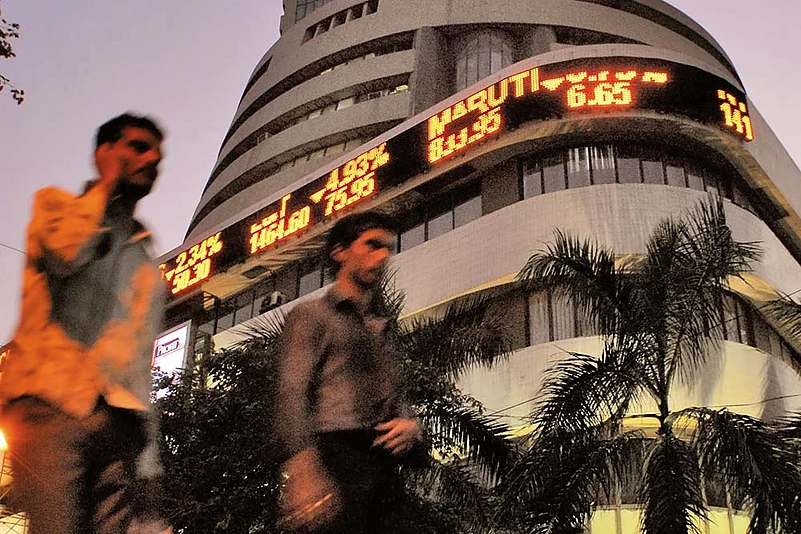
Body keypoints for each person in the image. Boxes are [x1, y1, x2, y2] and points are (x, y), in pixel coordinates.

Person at [0, 113, 172, 534]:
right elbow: (66, 255)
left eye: (157, 153)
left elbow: (139, 363)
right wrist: (105, 187)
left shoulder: (145, 261)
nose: (152, 159)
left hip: (119, 426)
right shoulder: (57, 208)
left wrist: (149, 462)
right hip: (50, 408)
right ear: (104, 153)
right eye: (138, 147)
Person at [276, 211, 423, 533]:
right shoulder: (313, 315)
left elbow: (396, 397)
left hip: (383, 466)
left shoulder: (380, 328)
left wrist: (411, 426)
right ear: (339, 251)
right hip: (335, 459)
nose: (382, 256)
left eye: (388, 248)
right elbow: (292, 392)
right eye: (372, 245)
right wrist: (302, 468)